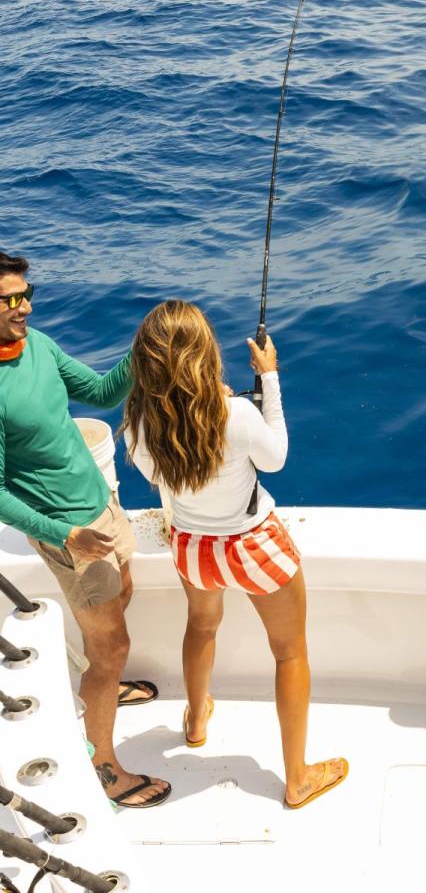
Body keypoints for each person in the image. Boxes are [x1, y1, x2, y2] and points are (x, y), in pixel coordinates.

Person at [123, 300, 348, 808]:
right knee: (289, 652)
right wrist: (269, 380)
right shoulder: (237, 413)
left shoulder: (137, 422)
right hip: (253, 545)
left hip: (192, 547)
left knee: (201, 625)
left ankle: (197, 720)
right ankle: (296, 779)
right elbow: (276, 459)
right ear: (205, 353)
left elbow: (162, 476)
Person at [0, 250, 170, 808]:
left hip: (103, 505)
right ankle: (104, 767)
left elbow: (98, 393)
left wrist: (142, 347)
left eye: (25, 295)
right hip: (70, 531)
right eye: (8, 301)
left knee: (124, 598)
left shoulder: (37, 344)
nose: (22, 307)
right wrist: (66, 534)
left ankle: (105, 680)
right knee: (112, 643)